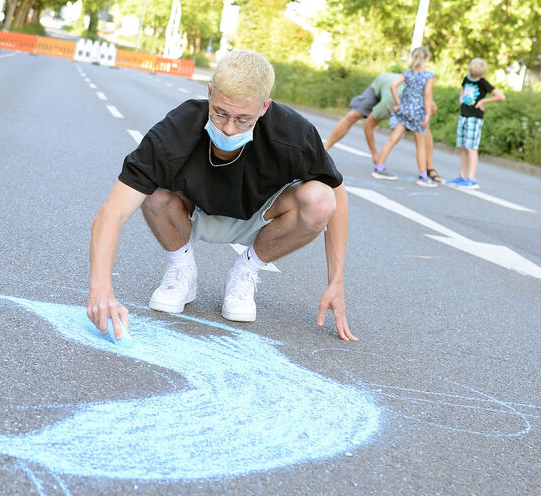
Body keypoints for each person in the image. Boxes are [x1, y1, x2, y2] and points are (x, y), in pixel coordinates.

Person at [87, 49, 355, 343]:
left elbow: (337, 193)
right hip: (191, 212)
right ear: (210, 93)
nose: (229, 128)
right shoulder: (175, 130)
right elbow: (112, 212)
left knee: (321, 198)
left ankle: (246, 271)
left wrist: (336, 282)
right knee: (152, 190)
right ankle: (182, 269)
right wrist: (101, 291)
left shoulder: (292, 133)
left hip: (258, 217)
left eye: (243, 120)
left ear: (264, 107)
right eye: (220, 113)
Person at [370, 47, 437, 187]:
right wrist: (427, 115)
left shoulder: (407, 73)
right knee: (420, 146)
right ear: (426, 59)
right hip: (418, 112)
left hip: (404, 109)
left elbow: (393, 86)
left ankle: (379, 168)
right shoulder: (429, 76)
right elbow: (427, 96)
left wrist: (398, 102)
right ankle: (423, 176)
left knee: (392, 139)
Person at [445, 58, 505, 189]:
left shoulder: (483, 82)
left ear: (482, 74)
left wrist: (483, 101)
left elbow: (500, 96)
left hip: (475, 118)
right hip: (464, 116)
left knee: (472, 148)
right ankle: (462, 176)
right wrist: (461, 98)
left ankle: (471, 179)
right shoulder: (467, 78)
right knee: (464, 147)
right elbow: (463, 89)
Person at [322, 70, 401, 162]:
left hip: (393, 91)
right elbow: (368, 125)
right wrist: (374, 153)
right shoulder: (391, 101)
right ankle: (324, 150)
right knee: (353, 115)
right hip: (381, 83)